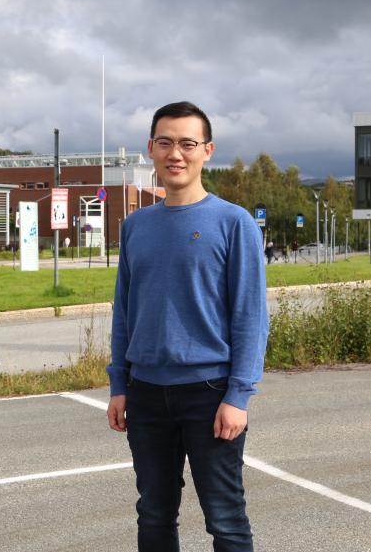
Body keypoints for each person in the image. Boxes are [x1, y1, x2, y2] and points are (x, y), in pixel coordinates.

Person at [106, 101, 268, 552]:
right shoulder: (136, 226)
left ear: (207, 150)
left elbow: (251, 317)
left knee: (225, 518)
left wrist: (238, 396)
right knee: (154, 515)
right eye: (165, 142)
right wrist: (119, 383)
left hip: (210, 393)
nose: (175, 153)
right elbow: (124, 312)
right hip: (145, 394)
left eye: (187, 143)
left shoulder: (234, 223)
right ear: (151, 151)